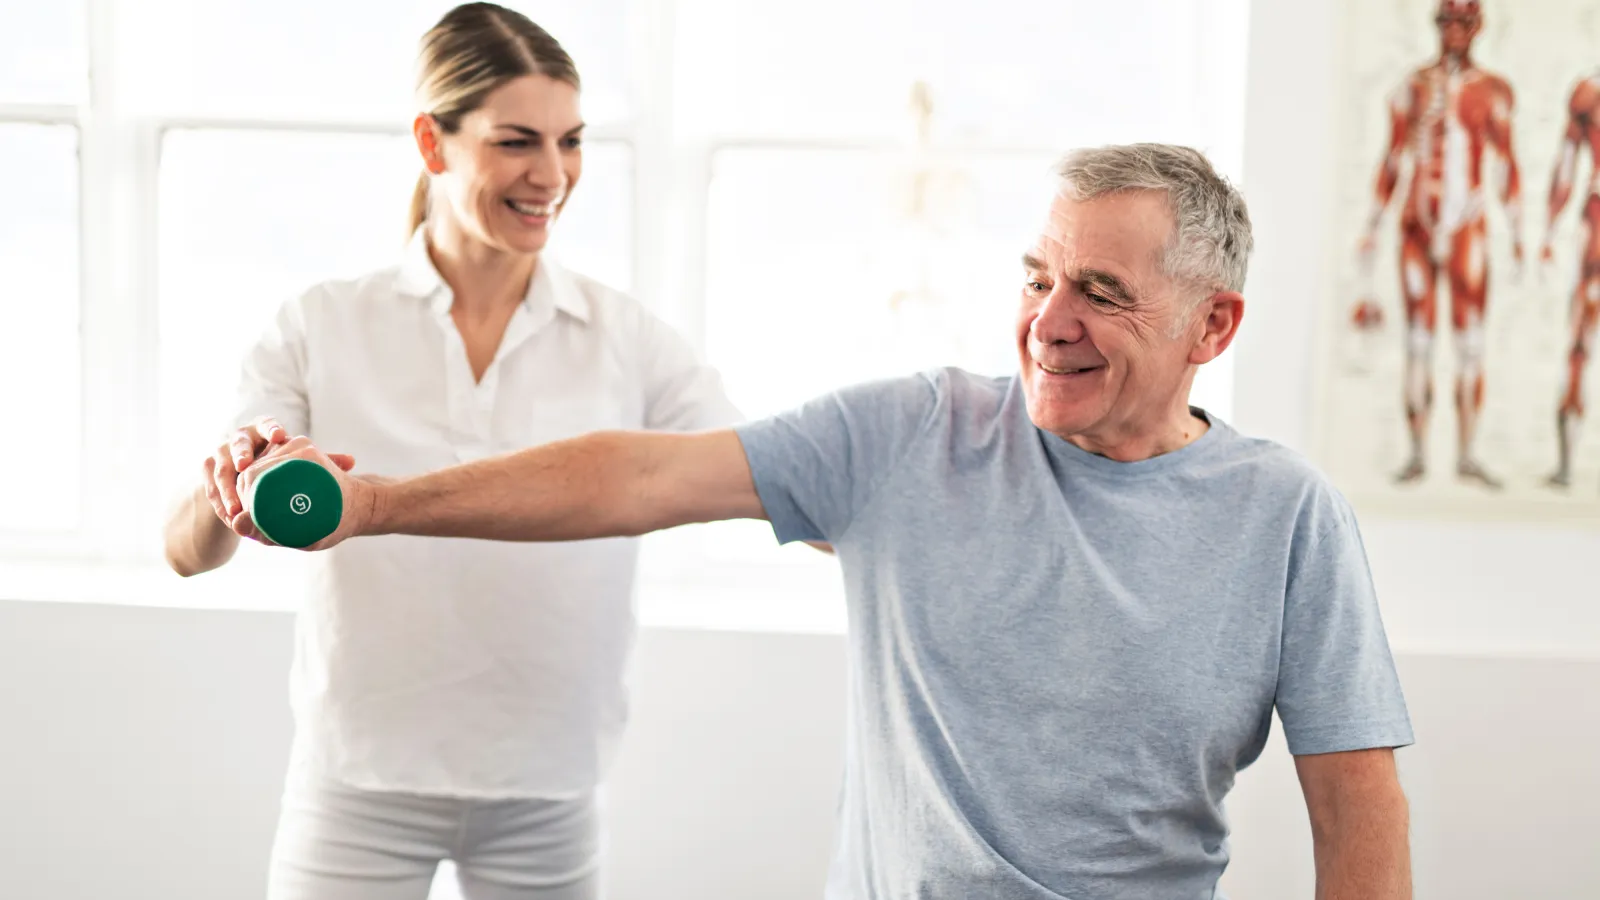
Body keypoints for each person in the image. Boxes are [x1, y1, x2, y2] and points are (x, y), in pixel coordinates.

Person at [230, 144, 1416, 899]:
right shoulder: (912, 437)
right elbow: (636, 478)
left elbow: (1353, 802)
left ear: (1212, 329)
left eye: (1101, 293)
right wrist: (380, 504)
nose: (1049, 319)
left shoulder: (1283, 517)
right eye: (1036, 276)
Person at [161, 4, 741, 898]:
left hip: (547, 787)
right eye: (517, 142)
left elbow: (762, 473)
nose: (552, 174)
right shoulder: (323, 323)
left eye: (571, 141)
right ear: (434, 143)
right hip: (357, 782)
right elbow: (187, 553)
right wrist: (225, 488)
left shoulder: (627, 339)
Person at [1355, 0, 1524, 488]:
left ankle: (1468, 452)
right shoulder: (1411, 87)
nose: (1454, 32)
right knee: (1419, 343)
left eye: (1463, 22)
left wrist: (1515, 233)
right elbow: (1391, 159)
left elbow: (1507, 163)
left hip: (1467, 226)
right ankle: (1417, 453)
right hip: (1417, 226)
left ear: (1478, 27)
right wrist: (1371, 225)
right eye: (1446, 22)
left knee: (1471, 344)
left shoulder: (1492, 91)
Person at [1541, 70, 1600, 490]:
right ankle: (1566, 462)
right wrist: (1548, 230)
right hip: (1596, 223)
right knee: (1580, 333)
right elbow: (1565, 166)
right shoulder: (1589, 92)